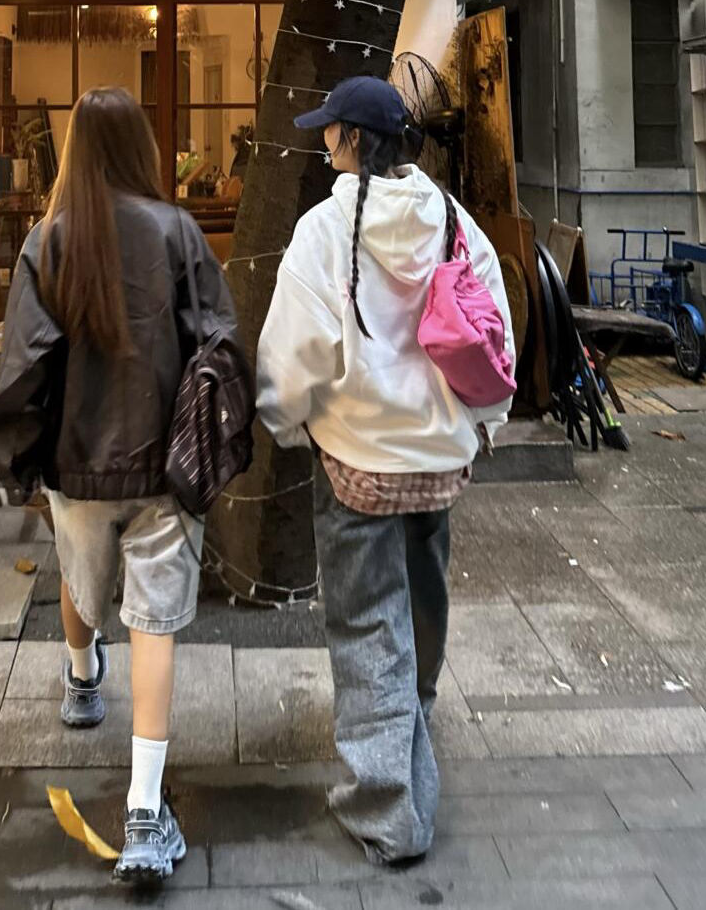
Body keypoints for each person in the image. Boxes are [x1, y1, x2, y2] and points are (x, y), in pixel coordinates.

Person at [0, 87, 239, 886]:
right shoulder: (178, 231)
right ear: (140, 148)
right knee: (155, 624)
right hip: (165, 462)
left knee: (79, 577)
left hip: (77, 460)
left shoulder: (48, 240)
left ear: (76, 152)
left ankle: (82, 677)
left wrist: (23, 457)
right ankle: (144, 810)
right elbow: (220, 339)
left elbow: (25, 362)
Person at [256, 75, 514, 866]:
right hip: (439, 459)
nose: (323, 140)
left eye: (330, 130)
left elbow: (293, 353)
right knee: (423, 600)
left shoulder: (325, 230)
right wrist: (486, 423)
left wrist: (284, 421)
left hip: (357, 462)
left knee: (369, 624)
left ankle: (388, 810)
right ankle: (413, 720)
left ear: (352, 141)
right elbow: (494, 326)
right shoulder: (455, 220)